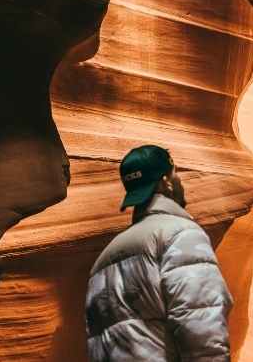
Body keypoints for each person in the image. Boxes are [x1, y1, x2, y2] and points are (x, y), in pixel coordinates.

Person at [85, 145, 234, 361]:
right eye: (176, 173)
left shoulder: (103, 260)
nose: (180, 180)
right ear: (166, 181)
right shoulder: (180, 235)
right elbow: (201, 327)